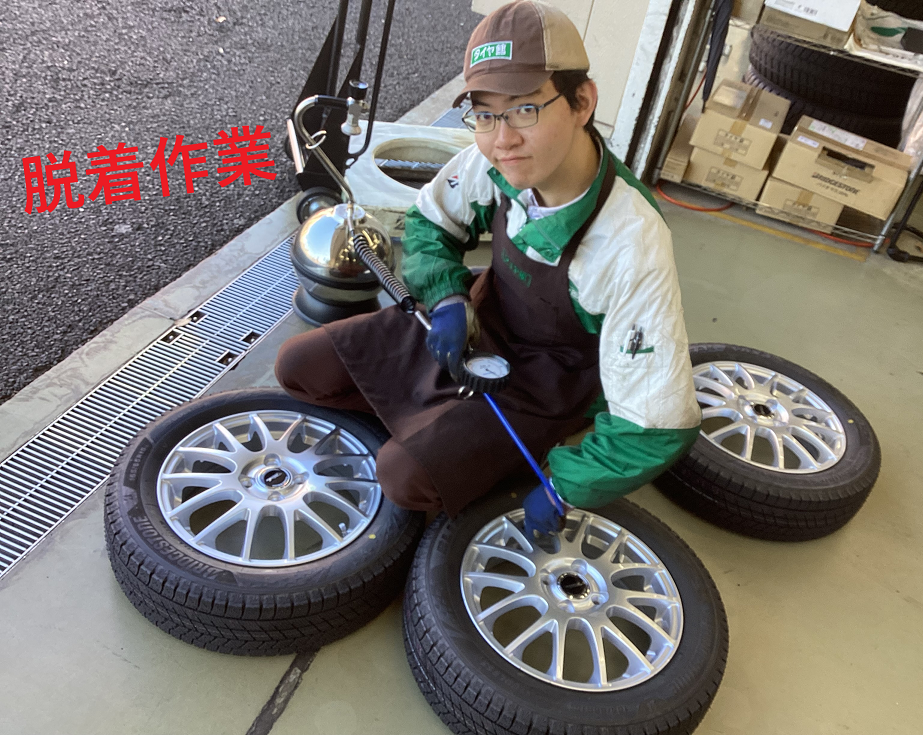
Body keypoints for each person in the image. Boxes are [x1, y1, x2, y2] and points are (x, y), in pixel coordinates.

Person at [275, 0, 702, 538]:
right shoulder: (495, 158)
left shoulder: (631, 242)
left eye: (525, 109)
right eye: (485, 113)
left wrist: (567, 485)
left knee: (401, 478)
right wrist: (448, 299)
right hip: (475, 326)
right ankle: (442, 430)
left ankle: (462, 437)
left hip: (548, 382)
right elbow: (430, 223)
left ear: (582, 102)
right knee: (297, 366)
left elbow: (659, 422)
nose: (503, 139)